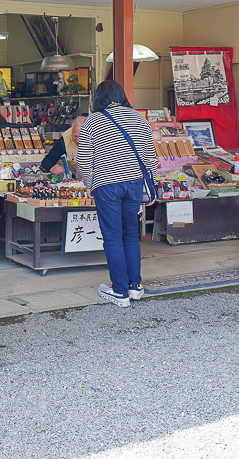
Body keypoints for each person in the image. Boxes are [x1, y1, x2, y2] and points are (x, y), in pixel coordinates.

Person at [78, 81, 158, 308]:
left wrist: (90, 184)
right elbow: (150, 158)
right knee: (130, 234)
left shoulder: (92, 121)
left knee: (113, 237)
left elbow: (84, 160)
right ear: (121, 96)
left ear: (98, 99)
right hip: (134, 184)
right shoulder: (139, 119)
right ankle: (135, 286)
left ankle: (119, 291)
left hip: (106, 185)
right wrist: (152, 185)